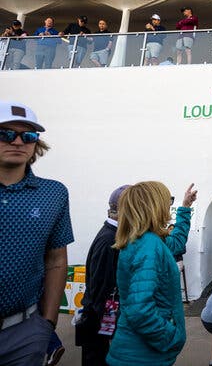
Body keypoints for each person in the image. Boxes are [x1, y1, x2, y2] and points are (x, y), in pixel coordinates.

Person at [0, 101, 74, 365]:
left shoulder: (53, 194)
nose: (18, 142)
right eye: (6, 134)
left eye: (28, 136)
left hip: (25, 332)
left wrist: (48, 322)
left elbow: (56, 259)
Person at [106, 182, 197, 365]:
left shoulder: (146, 240)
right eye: (167, 201)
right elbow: (140, 309)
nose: (168, 206)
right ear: (153, 206)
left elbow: (176, 243)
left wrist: (185, 208)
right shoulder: (149, 245)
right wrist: (170, 338)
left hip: (136, 353)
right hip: (142, 356)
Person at [75, 185, 130, 365]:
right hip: (98, 321)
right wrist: (106, 328)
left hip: (101, 319)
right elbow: (101, 288)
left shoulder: (113, 235)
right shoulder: (109, 239)